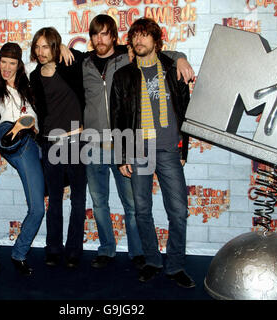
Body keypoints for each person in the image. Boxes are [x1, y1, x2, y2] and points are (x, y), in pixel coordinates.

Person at [81, 14, 195, 269]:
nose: (140, 40)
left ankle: (175, 265)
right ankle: (152, 261)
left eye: (145, 34)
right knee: (142, 211)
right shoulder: (124, 75)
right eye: (135, 35)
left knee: (178, 212)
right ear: (130, 41)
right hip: (138, 151)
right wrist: (122, 157)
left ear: (156, 39)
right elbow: (120, 118)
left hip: (168, 150)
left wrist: (184, 147)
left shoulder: (172, 68)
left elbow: (185, 111)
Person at [0, 42, 43, 277]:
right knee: (12, 130)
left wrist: (66, 48)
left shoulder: (26, 86)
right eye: (3, 62)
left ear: (19, 65)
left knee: (37, 209)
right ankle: (15, 132)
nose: (6, 67)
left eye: (12, 63)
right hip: (8, 134)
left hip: (31, 143)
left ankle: (19, 253)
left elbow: (43, 58)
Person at [30, 27, 87, 268]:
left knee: (78, 199)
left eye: (46, 46)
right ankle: (53, 248)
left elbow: (95, 56)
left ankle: (74, 249)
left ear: (55, 46)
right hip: (51, 142)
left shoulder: (69, 63)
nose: (41, 52)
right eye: (37, 47)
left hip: (76, 141)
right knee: (54, 199)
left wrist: (67, 48)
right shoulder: (34, 76)